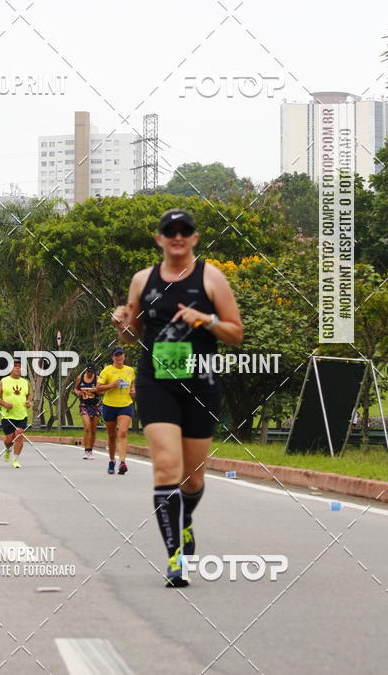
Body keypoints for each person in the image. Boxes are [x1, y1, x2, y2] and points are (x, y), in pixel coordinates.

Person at [112, 209, 243, 587]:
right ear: (159, 239)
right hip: (158, 382)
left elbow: (235, 333)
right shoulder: (143, 280)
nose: (178, 237)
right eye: (170, 231)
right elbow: (132, 336)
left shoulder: (211, 277)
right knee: (166, 467)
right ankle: (175, 559)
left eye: (185, 231)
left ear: (194, 238)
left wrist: (205, 320)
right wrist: (123, 324)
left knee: (192, 478)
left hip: (201, 383)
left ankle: (184, 518)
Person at [96, 348, 136, 475]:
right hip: (109, 406)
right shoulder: (107, 370)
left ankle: (122, 462)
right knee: (112, 436)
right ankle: (112, 460)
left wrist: (133, 391)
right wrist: (111, 386)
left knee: (123, 432)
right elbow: (98, 388)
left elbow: (132, 386)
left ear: (124, 356)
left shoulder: (130, 370)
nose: (119, 357)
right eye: (116, 355)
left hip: (126, 405)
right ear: (112, 357)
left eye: (121, 355)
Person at [0, 358, 31, 468]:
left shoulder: (25, 382)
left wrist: (29, 401)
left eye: (19, 365)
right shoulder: (4, 381)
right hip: (8, 415)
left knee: (19, 436)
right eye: (15, 365)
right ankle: (8, 449)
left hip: (21, 414)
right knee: (9, 439)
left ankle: (15, 460)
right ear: (11, 368)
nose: (17, 367)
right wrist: (4, 404)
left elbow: (29, 395)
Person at [74, 363, 101, 460]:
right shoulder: (80, 378)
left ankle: (90, 450)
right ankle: (86, 450)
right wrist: (79, 393)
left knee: (93, 429)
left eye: (91, 372)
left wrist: (96, 390)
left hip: (95, 405)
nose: (89, 373)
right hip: (84, 405)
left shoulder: (97, 378)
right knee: (87, 426)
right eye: (88, 371)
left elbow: (101, 391)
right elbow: (75, 389)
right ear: (86, 370)